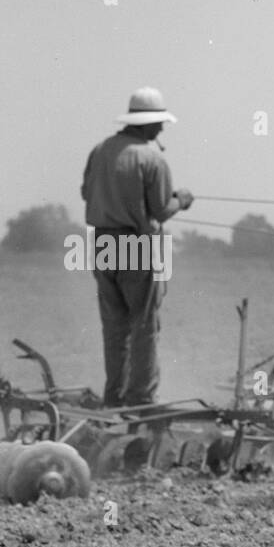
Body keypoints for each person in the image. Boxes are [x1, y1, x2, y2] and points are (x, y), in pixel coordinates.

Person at [80, 87, 193, 409]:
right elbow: (160, 210)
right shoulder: (151, 157)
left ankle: (115, 397)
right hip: (136, 244)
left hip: (102, 242)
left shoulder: (100, 150)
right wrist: (181, 201)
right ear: (146, 125)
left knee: (114, 327)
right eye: (158, 123)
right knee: (144, 326)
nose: (161, 129)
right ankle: (141, 399)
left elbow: (86, 191)